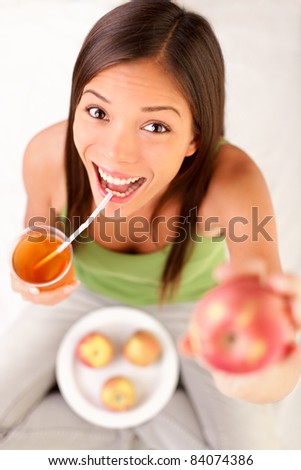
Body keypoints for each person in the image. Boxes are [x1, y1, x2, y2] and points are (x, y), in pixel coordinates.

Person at [1, 0, 300, 450]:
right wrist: (31, 279)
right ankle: (144, 434)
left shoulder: (233, 185)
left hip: (197, 311)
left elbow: (271, 359)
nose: (117, 154)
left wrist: (258, 374)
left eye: (156, 126)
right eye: (98, 112)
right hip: (81, 294)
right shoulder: (47, 156)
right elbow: (37, 240)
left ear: (194, 137)